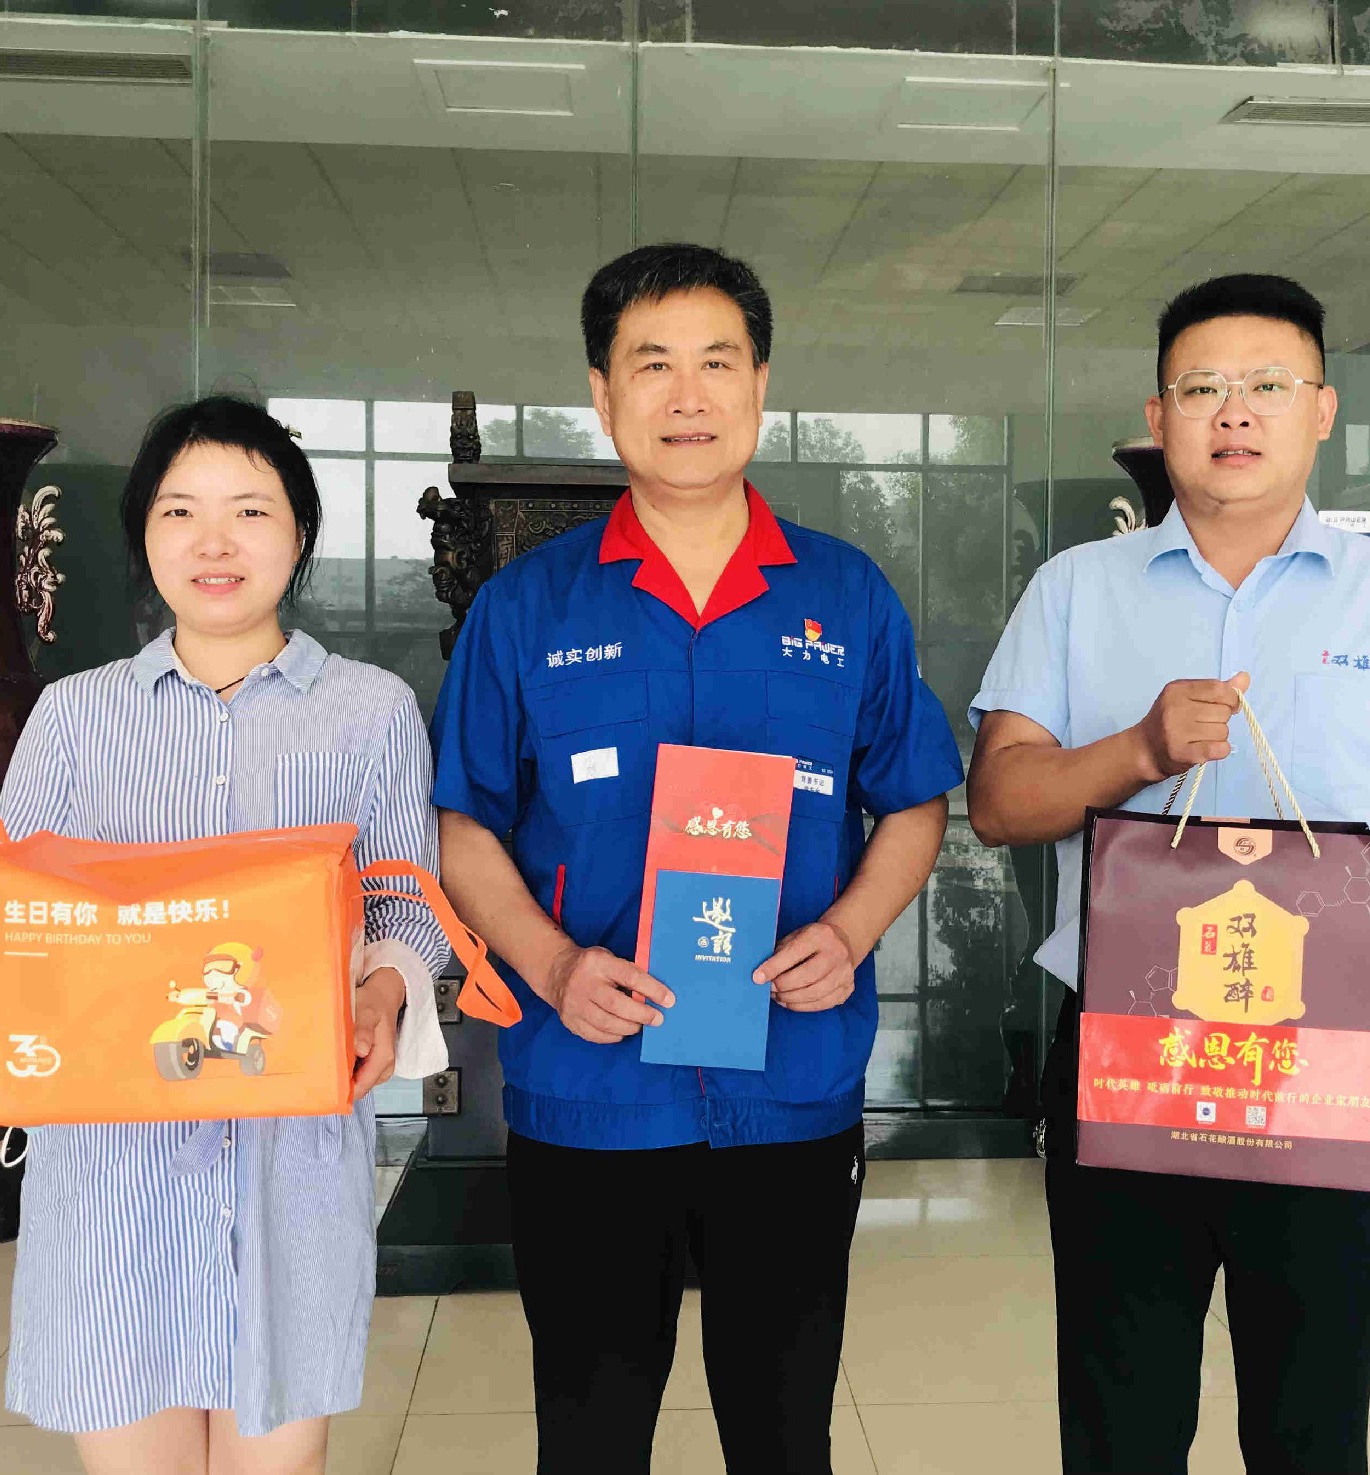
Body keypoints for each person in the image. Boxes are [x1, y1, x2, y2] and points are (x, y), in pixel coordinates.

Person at [966, 274, 1370, 1474]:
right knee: (1120, 1420)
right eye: (1203, 387)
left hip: (1324, 1065)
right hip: (1126, 1053)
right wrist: (1138, 749)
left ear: (1320, 410)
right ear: (1157, 416)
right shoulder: (1077, 589)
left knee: (1310, 1421)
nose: (1235, 411)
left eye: (1268, 384)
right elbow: (1001, 803)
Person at [429, 243, 962, 1474]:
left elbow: (915, 802)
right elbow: (464, 825)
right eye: (651, 364)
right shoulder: (527, 607)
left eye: (717, 363)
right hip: (589, 1088)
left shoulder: (848, 596)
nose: (687, 396)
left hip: (792, 1085)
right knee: (591, 1435)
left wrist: (853, 930)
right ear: (602, 393)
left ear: (760, 385)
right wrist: (553, 965)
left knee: (783, 1436)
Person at [0, 395, 449, 1475]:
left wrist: (383, 992)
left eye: (250, 510)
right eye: (180, 511)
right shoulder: (75, 716)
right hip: (112, 1171)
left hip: (288, 1162)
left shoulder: (369, 711)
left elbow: (409, 907)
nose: (215, 542)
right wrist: (4, 1034)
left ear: (299, 535)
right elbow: (2, 921)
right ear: (145, 535)